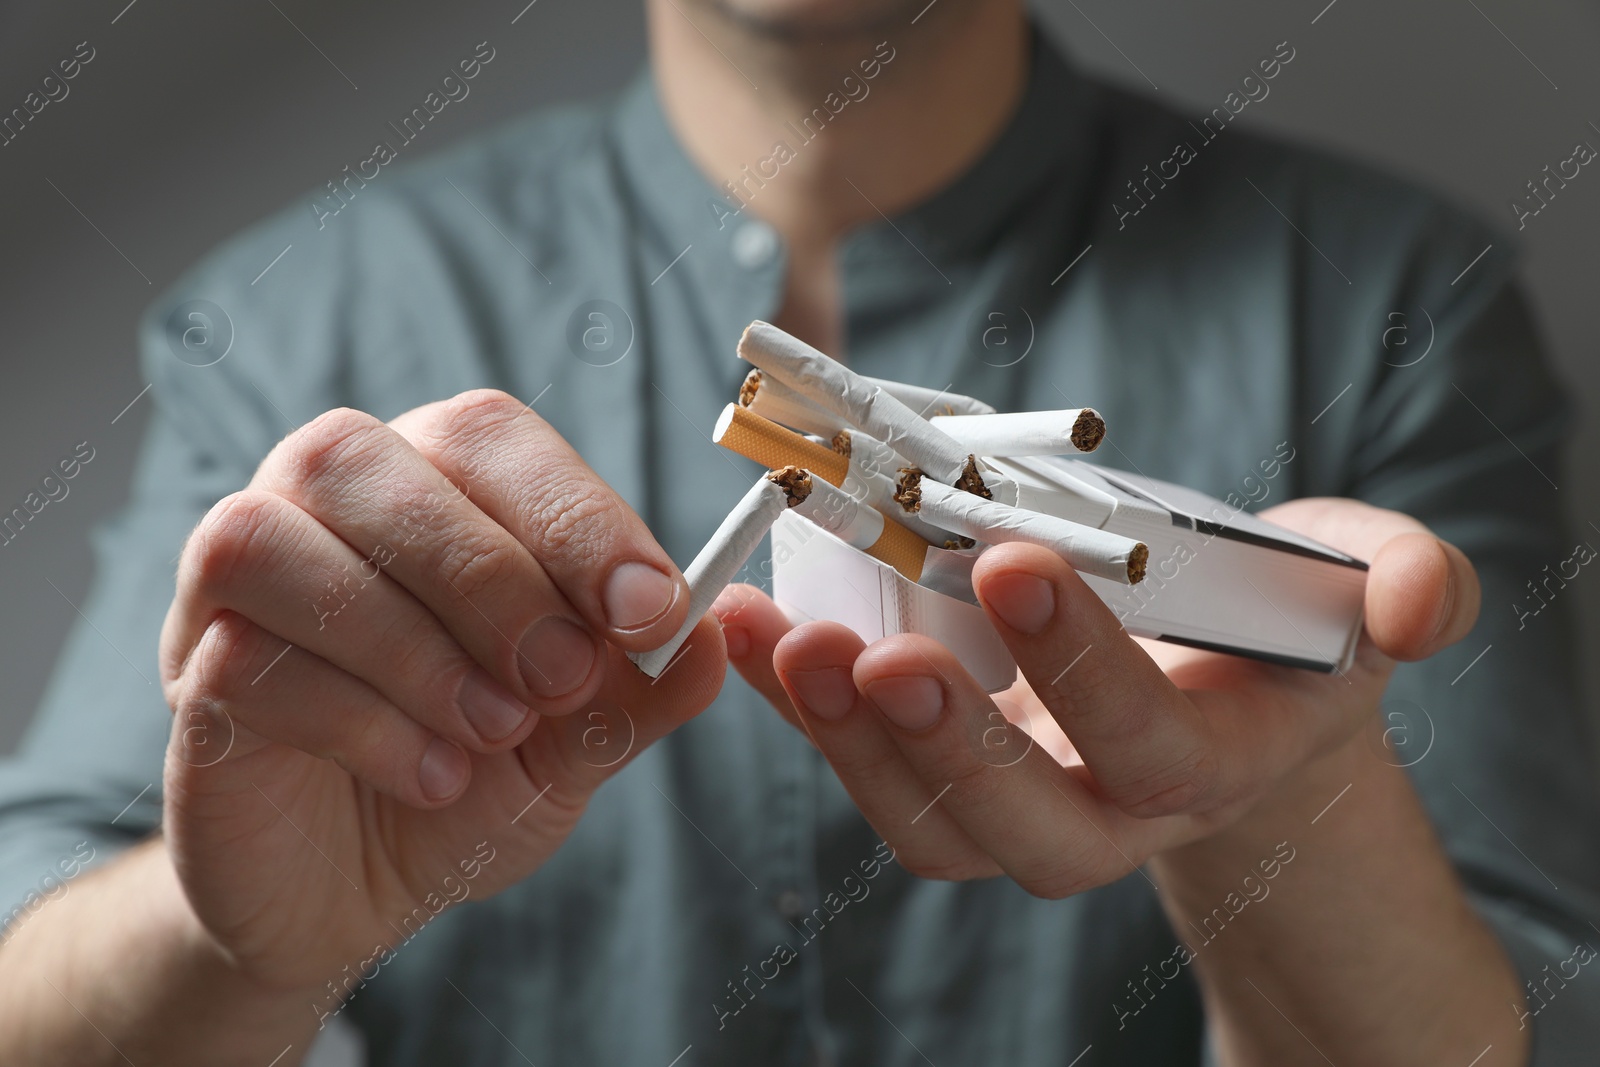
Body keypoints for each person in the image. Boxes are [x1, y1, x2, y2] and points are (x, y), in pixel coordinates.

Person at [0, 0, 1596, 1063]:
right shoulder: (303, 320)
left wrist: (1287, 795)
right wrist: (233, 950)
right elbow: (33, 945)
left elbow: (1516, 1027)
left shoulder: (1382, 295)